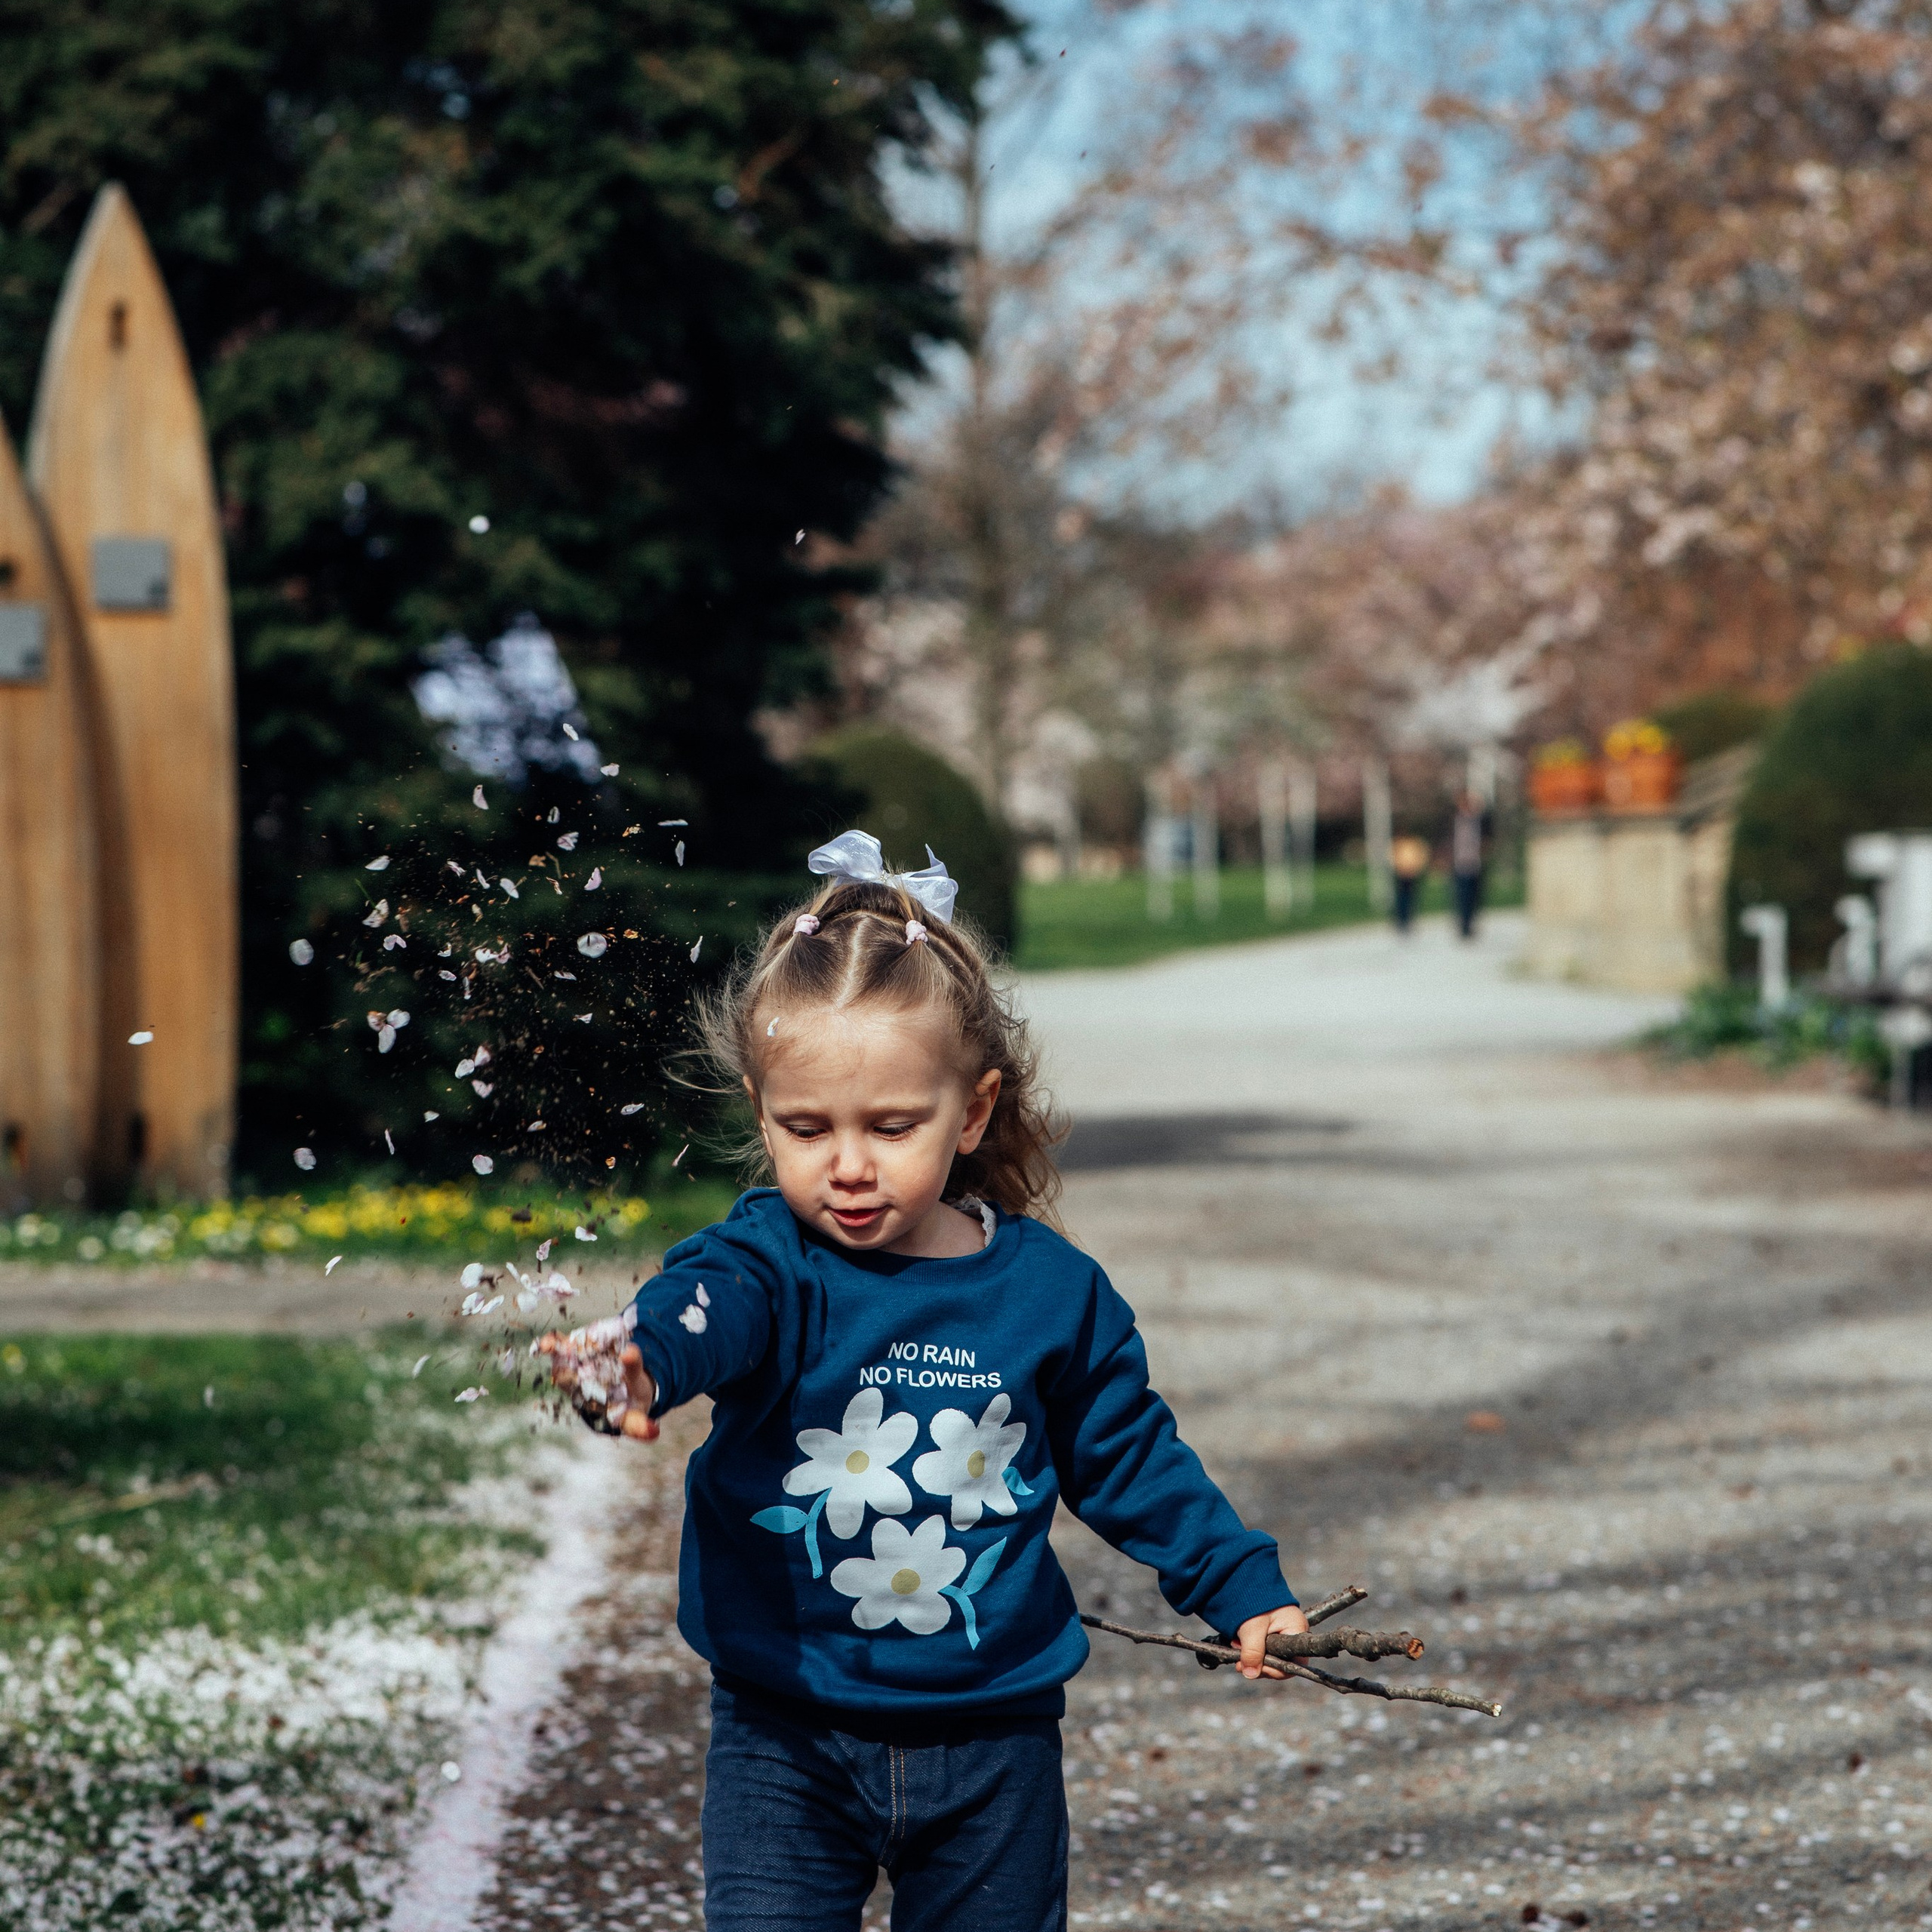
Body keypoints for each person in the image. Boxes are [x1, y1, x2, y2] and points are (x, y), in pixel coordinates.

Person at [543, 829, 1306, 1932]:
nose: (848, 1165)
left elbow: (1130, 1456)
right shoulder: (772, 1261)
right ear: (762, 1114)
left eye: (892, 1127)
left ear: (974, 1111)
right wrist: (639, 1359)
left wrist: (1240, 1586)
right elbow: (700, 1308)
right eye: (806, 1128)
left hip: (993, 1743)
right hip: (783, 1735)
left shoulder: (1049, 1293)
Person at [1449, 789, 1487, 940]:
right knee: (1461, 897)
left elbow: (1487, 840)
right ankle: (1463, 926)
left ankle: (1471, 923)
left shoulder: (1480, 821)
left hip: (1475, 864)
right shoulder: (1454, 821)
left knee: (1474, 898)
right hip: (1459, 865)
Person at [1389, 833, 1430, 935]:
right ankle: (1401, 920)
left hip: (1412, 874)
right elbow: (1392, 858)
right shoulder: (1398, 843)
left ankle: (1409, 920)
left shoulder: (1416, 843)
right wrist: (1399, 868)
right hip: (1401, 874)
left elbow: (1422, 857)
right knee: (1401, 899)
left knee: (1411, 899)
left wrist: (1416, 869)